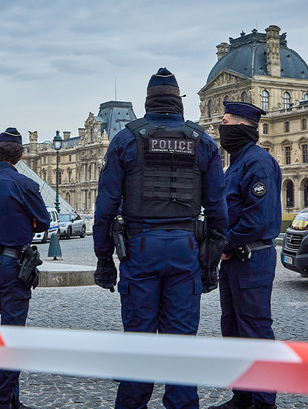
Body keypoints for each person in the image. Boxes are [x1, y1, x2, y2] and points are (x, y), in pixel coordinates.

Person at [93, 68, 228, 409]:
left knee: (139, 345)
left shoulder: (126, 140)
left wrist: (103, 259)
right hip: (185, 248)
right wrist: (210, 264)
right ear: (178, 102)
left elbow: (105, 208)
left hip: (140, 249)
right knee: (181, 346)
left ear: (147, 103)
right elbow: (217, 210)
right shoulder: (203, 142)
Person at [0, 127, 50, 409]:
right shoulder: (25, 184)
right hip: (14, 265)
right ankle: (4, 401)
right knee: (11, 336)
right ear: (21, 155)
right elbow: (43, 221)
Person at [210, 102, 282, 409]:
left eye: (225, 122)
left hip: (251, 259)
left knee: (255, 329)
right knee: (233, 328)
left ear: (241, 127)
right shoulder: (237, 163)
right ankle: (242, 396)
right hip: (235, 260)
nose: (220, 128)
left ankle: (263, 402)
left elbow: (258, 219)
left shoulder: (258, 163)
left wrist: (225, 243)